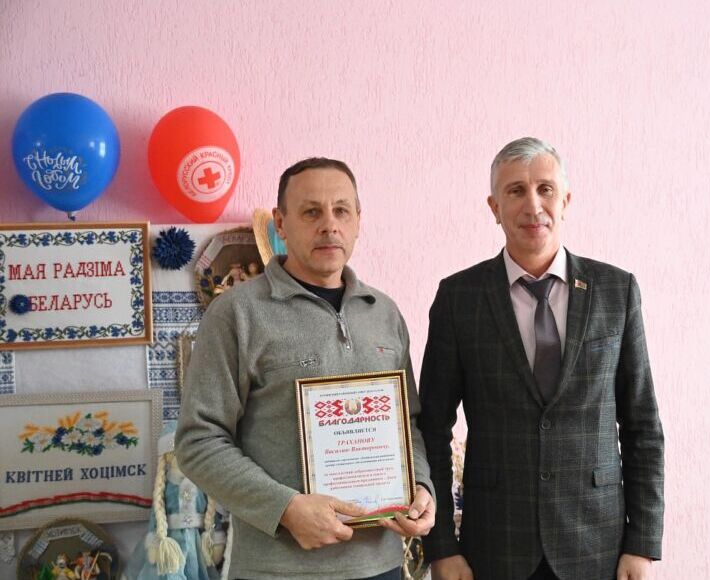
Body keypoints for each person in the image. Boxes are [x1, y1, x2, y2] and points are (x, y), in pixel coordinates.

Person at [176, 157, 435, 580]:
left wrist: (420, 485)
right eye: (311, 212)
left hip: (383, 565)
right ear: (280, 224)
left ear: (358, 220)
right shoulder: (236, 314)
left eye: (341, 211)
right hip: (278, 571)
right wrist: (286, 508)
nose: (329, 225)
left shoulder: (384, 313)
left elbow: (408, 423)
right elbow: (198, 441)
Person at [418, 138, 664, 580]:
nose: (533, 205)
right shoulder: (459, 298)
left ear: (565, 200)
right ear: (494, 207)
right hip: (494, 546)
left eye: (545, 189)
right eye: (515, 191)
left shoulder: (616, 291)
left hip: (597, 545)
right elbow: (432, 429)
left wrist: (642, 544)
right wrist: (441, 549)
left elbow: (642, 424)